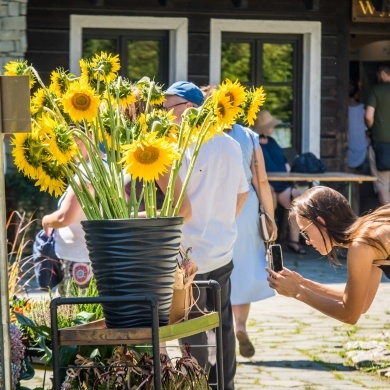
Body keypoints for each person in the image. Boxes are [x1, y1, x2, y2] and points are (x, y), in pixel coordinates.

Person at [164, 81, 249, 389]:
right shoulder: (229, 143)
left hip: (189, 253)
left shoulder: (179, 147)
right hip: (221, 247)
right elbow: (243, 193)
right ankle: (224, 385)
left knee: (192, 324)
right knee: (222, 323)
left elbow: (179, 208)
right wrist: (221, 219)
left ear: (187, 110)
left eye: (167, 108)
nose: (164, 116)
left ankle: (198, 384)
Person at [266, 185, 390, 325]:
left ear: (321, 222)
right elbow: (361, 302)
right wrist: (303, 283)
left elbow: (350, 315)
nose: (306, 241)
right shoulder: (369, 233)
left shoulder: (361, 245)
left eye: (305, 232)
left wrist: (298, 291)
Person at [228, 122, 277, 358]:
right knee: (244, 270)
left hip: (215, 205)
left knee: (218, 269)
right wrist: (270, 217)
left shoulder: (201, 131)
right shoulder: (248, 135)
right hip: (246, 207)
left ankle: (221, 328)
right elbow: (262, 181)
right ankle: (240, 326)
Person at [253, 109, 306, 254]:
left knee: (297, 200)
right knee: (271, 204)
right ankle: (269, 242)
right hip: (266, 184)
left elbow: (284, 163)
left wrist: (291, 180)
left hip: (282, 184)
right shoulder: (254, 143)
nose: (273, 127)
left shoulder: (273, 142)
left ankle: (294, 241)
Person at [365, 62, 390, 205]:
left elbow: (369, 116)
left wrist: (372, 128)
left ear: (382, 73)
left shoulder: (376, 90)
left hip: (381, 146)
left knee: (383, 186)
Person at [348, 79, 370, 214]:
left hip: (346, 152)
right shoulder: (362, 109)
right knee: (357, 187)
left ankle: (352, 214)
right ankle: (356, 214)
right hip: (362, 151)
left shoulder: (340, 109)